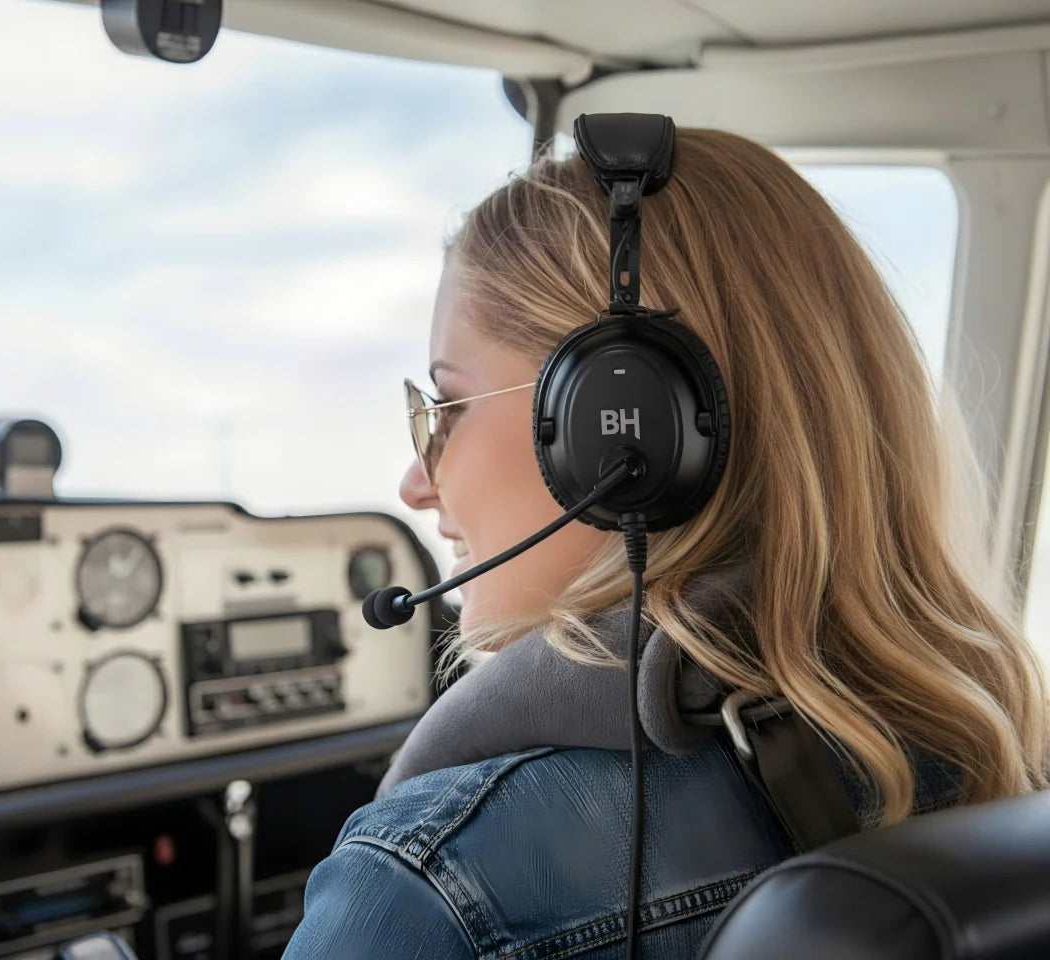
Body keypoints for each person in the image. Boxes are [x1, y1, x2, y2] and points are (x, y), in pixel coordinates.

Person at [282, 127, 1050, 959]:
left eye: (447, 407)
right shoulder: (995, 744)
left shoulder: (437, 885)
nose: (416, 483)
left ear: (621, 432)